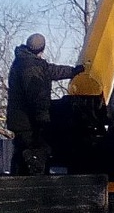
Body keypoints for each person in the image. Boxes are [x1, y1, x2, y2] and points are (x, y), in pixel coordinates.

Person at [5, 33, 82, 176]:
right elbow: (36, 96)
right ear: (42, 48)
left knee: (21, 151)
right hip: (27, 121)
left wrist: (72, 71)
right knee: (38, 150)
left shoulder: (26, 61)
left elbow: (51, 70)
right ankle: (36, 184)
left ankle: (17, 180)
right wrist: (43, 118)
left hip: (20, 120)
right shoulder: (31, 67)